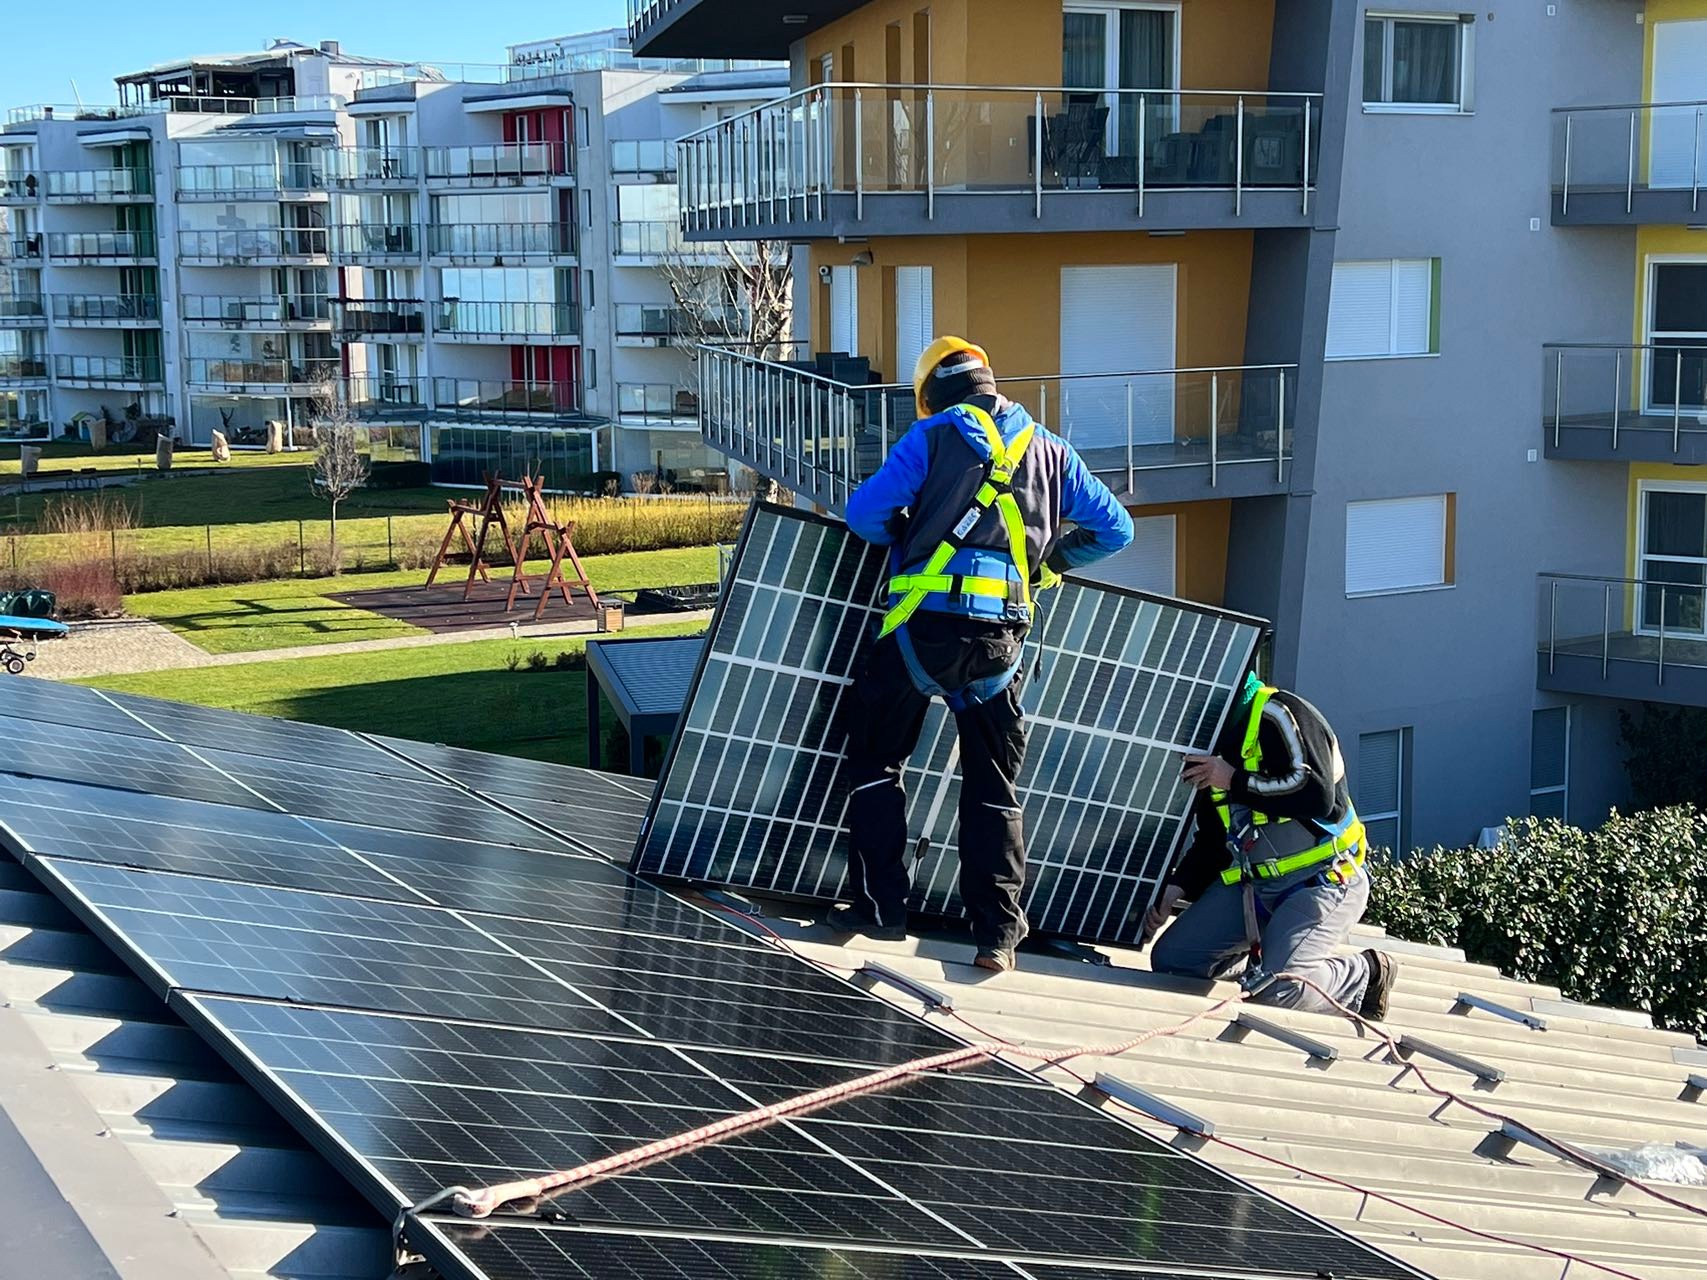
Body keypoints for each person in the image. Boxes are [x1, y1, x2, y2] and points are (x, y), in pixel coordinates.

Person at [829, 336, 1133, 972]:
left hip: (920, 633)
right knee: (992, 786)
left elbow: (864, 514)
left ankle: (881, 911)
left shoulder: (931, 437)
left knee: (878, 764)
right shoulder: (1051, 451)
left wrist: (906, 532)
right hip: (1000, 647)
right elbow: (1116, 529)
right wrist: (1049, 562)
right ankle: (996, 936)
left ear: (929, 397)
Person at [1144, 672, 1400, 1020]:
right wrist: (1176, 888)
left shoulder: (1280, 712)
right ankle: (1267, 967)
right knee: (1174, 961)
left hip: (1322, 880)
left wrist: (1233, 779)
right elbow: (1214, 842)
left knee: (1278, 992)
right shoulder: (1208, 740)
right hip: (1255, 887)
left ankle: (1366, 973)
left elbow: (1317, 793)